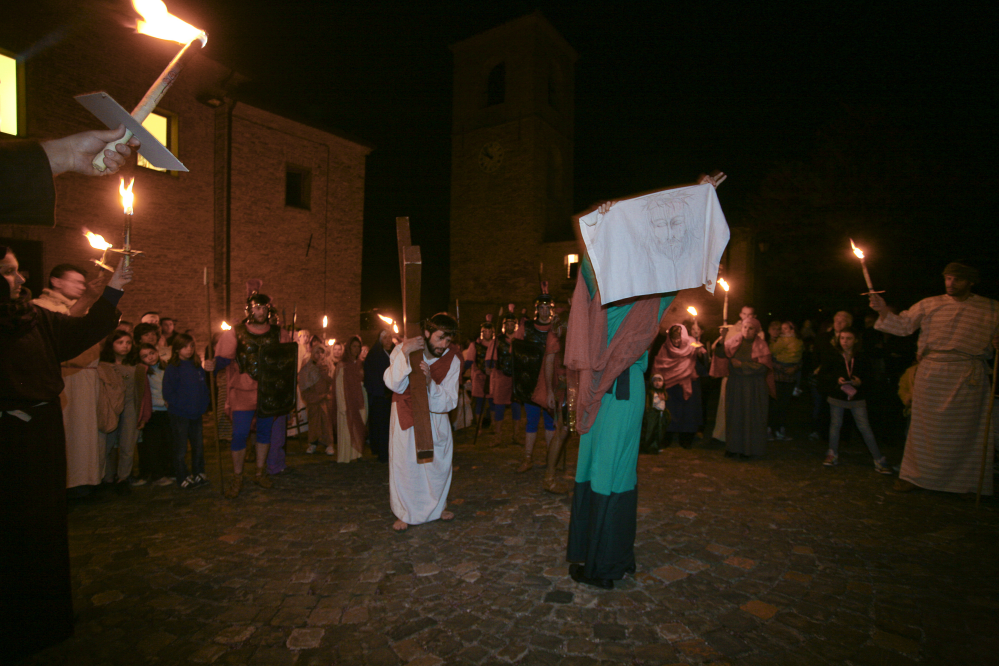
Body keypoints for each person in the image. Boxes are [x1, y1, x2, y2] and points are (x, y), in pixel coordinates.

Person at [2, 232, 133, 659]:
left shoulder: (32, 318)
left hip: (41, 431)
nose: (20, 278)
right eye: (8, 271)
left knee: (45, 527)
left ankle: (47, 617)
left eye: (18, 268)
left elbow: (82, 330)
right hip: (10, 435)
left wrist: (114, 290)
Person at [870, 262, 999, 495]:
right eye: (947, 278)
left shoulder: (991, 308)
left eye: (957, 280)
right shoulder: (930, 304)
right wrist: (882, 310)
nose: (950, 283)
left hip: (968, 376)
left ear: (971, 282)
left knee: (967, 433)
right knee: (922, 429)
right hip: (933, 374)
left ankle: (967, 484)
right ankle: (914, 477)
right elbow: (902, 326)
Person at [32, 264, 110, 494]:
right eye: (75, 281)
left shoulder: (81, 307)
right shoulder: (40, 307)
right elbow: (63, 329)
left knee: (86, 434)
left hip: (87, 376)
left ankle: (84, 481)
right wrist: (88, 299)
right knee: (65, 434)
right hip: (65, 376)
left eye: (82, 283)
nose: (81, 287)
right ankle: (62, 485)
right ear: (55, 281)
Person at [383, 313, 462, 531]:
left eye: (448, 340)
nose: (444, 345)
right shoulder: (404, 349)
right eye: (440, 338)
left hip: (436, 420)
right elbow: (393, 384)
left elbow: (450, 399)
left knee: (438, 466)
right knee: (406, 467)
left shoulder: (452, 360)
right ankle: (405, 512)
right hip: (406, 416)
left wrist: (430, 384)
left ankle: (438, 506)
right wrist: (405, 352)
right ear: (426, 333)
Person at [214, 289, 295, 497]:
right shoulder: (236, 332)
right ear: (249, 310)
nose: (259, 311)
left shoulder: (279, 333)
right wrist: (212, 364)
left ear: (269, 309)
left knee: (264, 433)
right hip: (243, 391)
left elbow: (287, 362)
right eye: (256, 307)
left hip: (268, 391)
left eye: (263, 307)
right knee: (239, 434)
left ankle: (260, 473)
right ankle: (237, 476)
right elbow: (223, 359)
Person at [817, 328, 892, 473]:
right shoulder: (832, 354)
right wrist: (835, 379)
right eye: (842, 338)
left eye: (849, 338)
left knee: (864, 427)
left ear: (856, 340)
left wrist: (860, 382)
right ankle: (832, 453)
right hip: (838, 395)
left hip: (856, 396)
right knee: (835, 425)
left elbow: (870, 376)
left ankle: (878, 458)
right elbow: (824, 374)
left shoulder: (861, 356)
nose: (845, 341)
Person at [713, 316, 775, 459]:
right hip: (736, 385)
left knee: (751, 417)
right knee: (734, 416)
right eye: (745, 327)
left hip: (754, 387)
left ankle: (750, 450)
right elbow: (720, 353)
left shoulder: (762, 345)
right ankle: (733, 447)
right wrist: (722, 339)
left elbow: (764, 367)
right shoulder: (735, 341)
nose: (747, 330)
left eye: (750, 328)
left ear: (756, 331)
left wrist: (743, 365)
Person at [98, 329, 150, 490]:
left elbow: (142, 392)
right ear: (111, 345)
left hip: (130, 407)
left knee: (128, 444)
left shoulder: (136, 367)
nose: (125, 346)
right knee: (107, 444)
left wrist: (143, 415)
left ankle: (123, 478)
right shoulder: (103, 366)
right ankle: (106, 477)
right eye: (120, 343)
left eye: (128, 343)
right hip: (111, 408)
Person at [513, 285, 557, 472]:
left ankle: (551, 458)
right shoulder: (527, 327)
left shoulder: (557, 327)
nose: (544, 311)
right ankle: (528, 458)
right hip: (530, 380)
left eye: (547, 308)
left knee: (550, 422)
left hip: (549, 381)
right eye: (541, 308)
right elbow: (515, 348)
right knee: (531, 421)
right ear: (537, 309)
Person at [531, 307, 574, 493]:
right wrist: (549, 392)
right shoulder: (555, 338)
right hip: (564, 391)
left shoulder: (571, 337)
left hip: (574, 390)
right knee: (562, 430)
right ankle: (549, 478)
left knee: (568, 431)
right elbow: (548, 364)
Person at [163, 334, 213, 488]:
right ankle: (182, 475)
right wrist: (182, 405)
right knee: (181, 447)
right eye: (185, 346)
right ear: (177, 349)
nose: (189, 349)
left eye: (191, 346)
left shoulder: (196, 366)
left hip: (196, 413)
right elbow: (168, 393)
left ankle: (198, 472)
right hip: (180, 414)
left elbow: (203, 387)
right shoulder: (173, 368)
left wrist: (204, 404)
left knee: (198, 445)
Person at [654, 322, 707, 449]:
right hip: (670, 386)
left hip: (689, 384)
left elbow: (703, 367)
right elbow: (659, 367)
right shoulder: (665, 348)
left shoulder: (692, 345)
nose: (676, 341)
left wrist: (700, 354)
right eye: (673, 338)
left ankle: (686, 438)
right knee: (669, 411)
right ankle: (667, 437)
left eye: (679, 338)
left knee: (689, 413)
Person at [710, 305, 756, 442]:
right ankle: (721, 435)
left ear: (754, 317)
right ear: (740, 315)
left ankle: (740, 437)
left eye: (750, 315)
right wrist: (722, 337)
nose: (747, 317)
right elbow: (716, 348)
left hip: (746, 375)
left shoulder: (758, 332)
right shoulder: (731, 329)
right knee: (725, 404)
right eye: (744, 314)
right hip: (730, 374)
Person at [137, 344, 174, 486]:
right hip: (153, 412)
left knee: (168, 443)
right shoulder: (143, 372)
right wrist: (162, 402)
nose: (150, 357)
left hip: (168, 411)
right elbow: (146, 393)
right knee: (154, 445)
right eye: (145, 356)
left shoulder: (166, 368)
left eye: (151, 353)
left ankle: (169, 470)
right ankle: (157, 474)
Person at [488, 308, 522, 443]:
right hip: (502, 375)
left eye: (512, 324)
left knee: (516, 406)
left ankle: (516, 435)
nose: (510, 326)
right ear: (504, 326)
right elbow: (492, 357)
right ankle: (498, 436)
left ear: (515, 325)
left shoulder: (520, 340)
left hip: (516, 377)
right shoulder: (498, 340)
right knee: (500, 406)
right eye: (508, 324)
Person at [333, 335, 367, 463]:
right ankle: (346, 456)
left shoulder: (359, 364)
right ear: (348, 347)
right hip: (347, 402)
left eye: (358, 347)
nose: (356, 349)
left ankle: (356, 454)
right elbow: (339, 386)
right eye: (354, 346)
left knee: (358, 428)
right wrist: (342, 405)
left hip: (358, 400)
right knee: (347, 431)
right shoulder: (342, 365)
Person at [769, 320, 803, 440]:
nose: (782, 331)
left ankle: (778, 428)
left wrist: (794, 367)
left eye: (785, 329)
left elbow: (799, 358)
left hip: (787, 375)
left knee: (781, 403)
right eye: (781, 329)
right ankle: (773, 428)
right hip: (781, 375)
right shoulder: (784, 341)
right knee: (778, 403)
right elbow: (771, 354)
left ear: (792, 330)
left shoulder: (792, 341)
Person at [364, 329, 394, 462]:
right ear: (381, 340)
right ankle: (382, 452)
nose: (388, 340)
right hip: (379, 397)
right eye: (386, 338)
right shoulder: (374, 355)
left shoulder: (392, 353)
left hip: (390, 396)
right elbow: (371, 376)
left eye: (390, 337)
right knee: (381, 426)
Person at [300, 344, 335, 455]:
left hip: (325, 399)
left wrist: (323, 372)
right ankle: (313, 443)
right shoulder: (307, 367)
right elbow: (304, 384)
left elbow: (333, 381)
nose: (319, 355)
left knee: (326, 422)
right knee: (314, 422)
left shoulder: (329, 366)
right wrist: (313, 397)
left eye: (322, 352)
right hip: (313, 400)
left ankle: (329, 444)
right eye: (317, 352)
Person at [463, 314, 495, 433]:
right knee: (480, 403)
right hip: (479, 376)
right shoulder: (475, 345)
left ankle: (492, 425)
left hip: (492, 377)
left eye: (489, 331)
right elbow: (470, 360)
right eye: (485, 331)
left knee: (492, 402)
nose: (487, 333)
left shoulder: (495, 344)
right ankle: (479, 426)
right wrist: (461, 371)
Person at [640, 374, 671, 454]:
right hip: (652, 415)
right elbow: (651, 403)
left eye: (659, 381)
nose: (657, 383)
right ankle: (648, 447)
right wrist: (659, 399)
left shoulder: (662, 392)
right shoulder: (651, 392)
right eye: (655, 381)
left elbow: (664, 402)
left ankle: (656, 446)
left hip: (660, 415)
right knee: (650, 431)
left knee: (659, 431)